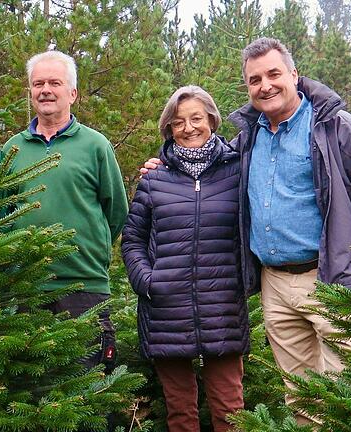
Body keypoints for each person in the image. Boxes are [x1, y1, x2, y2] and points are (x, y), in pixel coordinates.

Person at [143, 37, 351, 423]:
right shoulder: (249, 137)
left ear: (294, 75)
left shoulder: (335, 128)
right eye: (254, 80)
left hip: (333, 279)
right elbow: (207, 166)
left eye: (273, 74)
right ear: (247, 87)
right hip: (275, 286)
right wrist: (165, 167)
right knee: (301, 400)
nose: (265, 86)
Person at [123, 86, 248, 432]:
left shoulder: (238, 170)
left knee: (230, 411)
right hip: (166, 311)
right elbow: (132, 239)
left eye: (196, 118)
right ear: (169, 128)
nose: (189, 128)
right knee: (180, 414)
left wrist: (245, 281)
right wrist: (147, 282)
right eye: (179, 122)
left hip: (223, 308)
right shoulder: (154, 178)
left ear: (212, 119)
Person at [4, 50, 128, 369]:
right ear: (30, 92)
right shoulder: (12, 149)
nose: (46, 89)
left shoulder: (95, 146)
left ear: (72, 93)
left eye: (54, 82)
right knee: (32, 390)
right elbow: (2, 214)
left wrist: (91, 248)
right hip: (27, 288)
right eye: (38, 83)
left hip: (84, 283)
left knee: (90, 386)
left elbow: (116, 211)